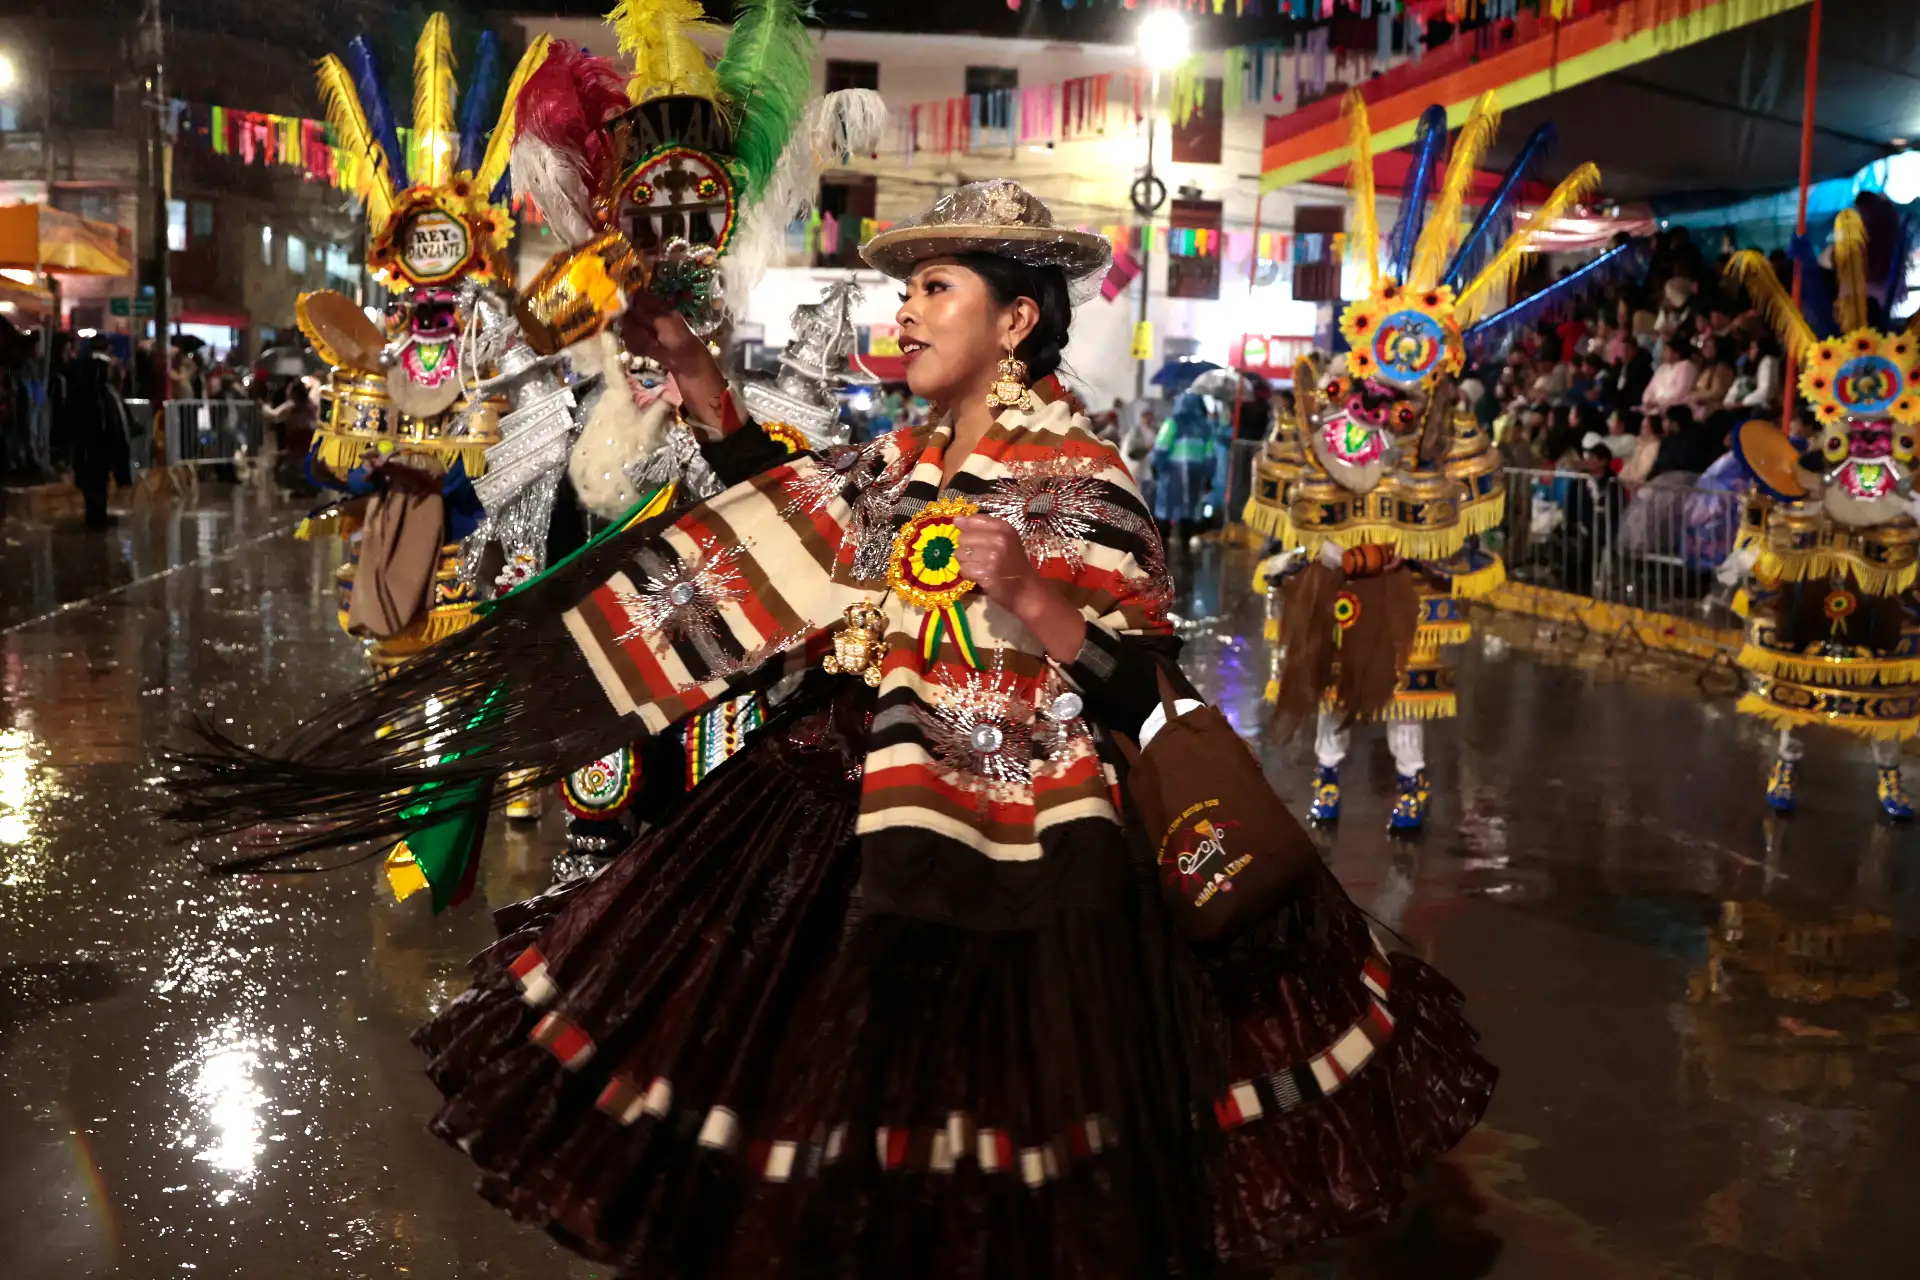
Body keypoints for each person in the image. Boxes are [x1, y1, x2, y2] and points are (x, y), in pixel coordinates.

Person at [170, 177, 1495, 1277]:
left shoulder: (1084, 480)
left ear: (1017, 319)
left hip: (1021, 859)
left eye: (937, 290)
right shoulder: (900, 458)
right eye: (906, 288)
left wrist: (1033, 599)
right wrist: (699, 387)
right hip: (835, 815)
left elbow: (1142, 696)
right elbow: (790, 513)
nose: (906, 311)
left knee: (996, 1151)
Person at [1721, 214, 1920, 817]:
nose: (1865, 423)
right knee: (1798, 659)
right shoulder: (1826, 451)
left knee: (1890, 672)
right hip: (1825, 565)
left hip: (1887, 566)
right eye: (1852, 408)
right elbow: (1797, 482)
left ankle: (1890, 778)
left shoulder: (1904, 451)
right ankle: (1785, 764)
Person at [60, 336, 133, 529]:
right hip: (92, 446)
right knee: (94, 482)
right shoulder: (95, 393)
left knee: (97, 482)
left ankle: (98, 515)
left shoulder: (96, 392)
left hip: (92, 447)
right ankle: (95, 518)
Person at [1641, 338, 1700, 413]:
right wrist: (1647, 400)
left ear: (1677, 353)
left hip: (1674, 408)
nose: (1663, 353)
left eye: (1666, 350)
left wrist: (1659, 402)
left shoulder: (1687, 366)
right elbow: (1650, 388)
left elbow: (1681, 392)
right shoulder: (1662, 368)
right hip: (1654, 406)